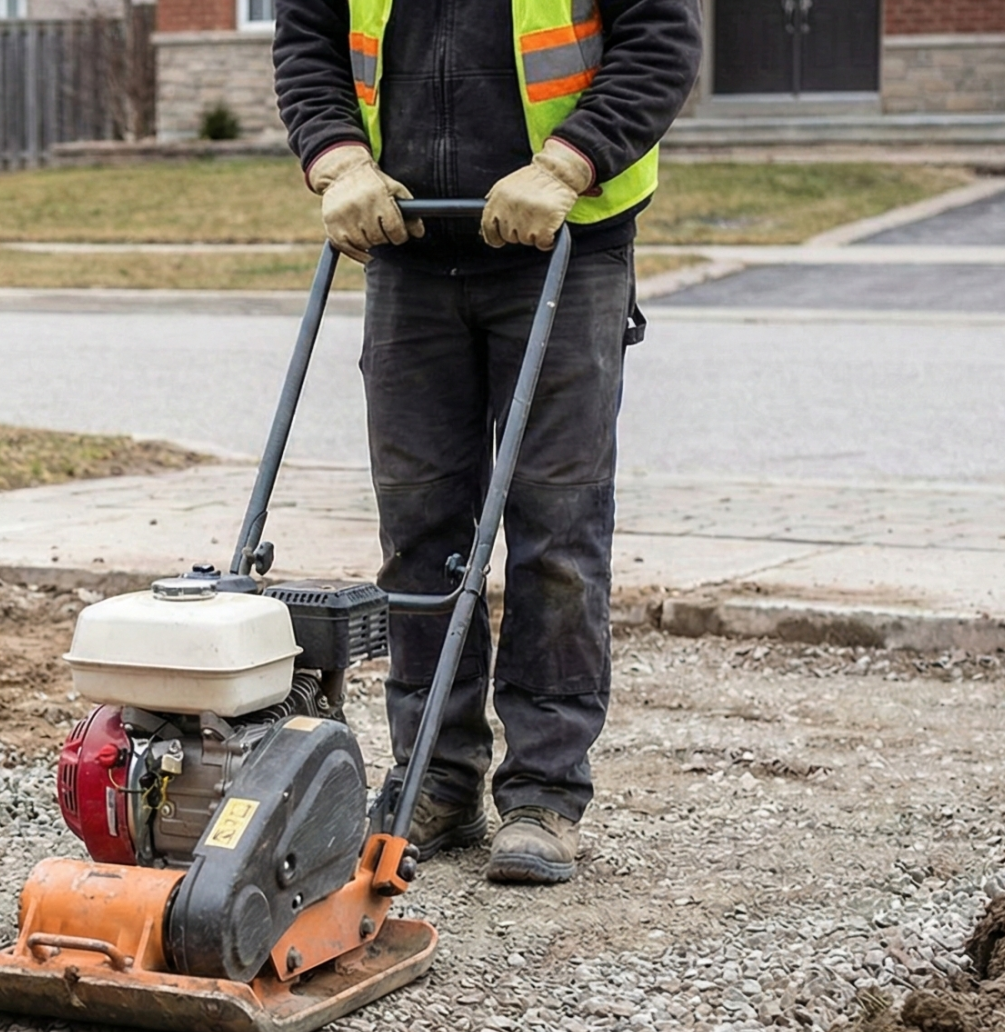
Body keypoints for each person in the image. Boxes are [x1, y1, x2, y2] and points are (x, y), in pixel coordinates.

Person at [273, 0, 700, 884]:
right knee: (420, 531)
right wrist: (338, 158)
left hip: (565, 247)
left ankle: (545, 789)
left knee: (558, 526)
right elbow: (307, 41)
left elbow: (661, 42)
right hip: (408, 247)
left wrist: (565, 163)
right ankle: (434, 773)